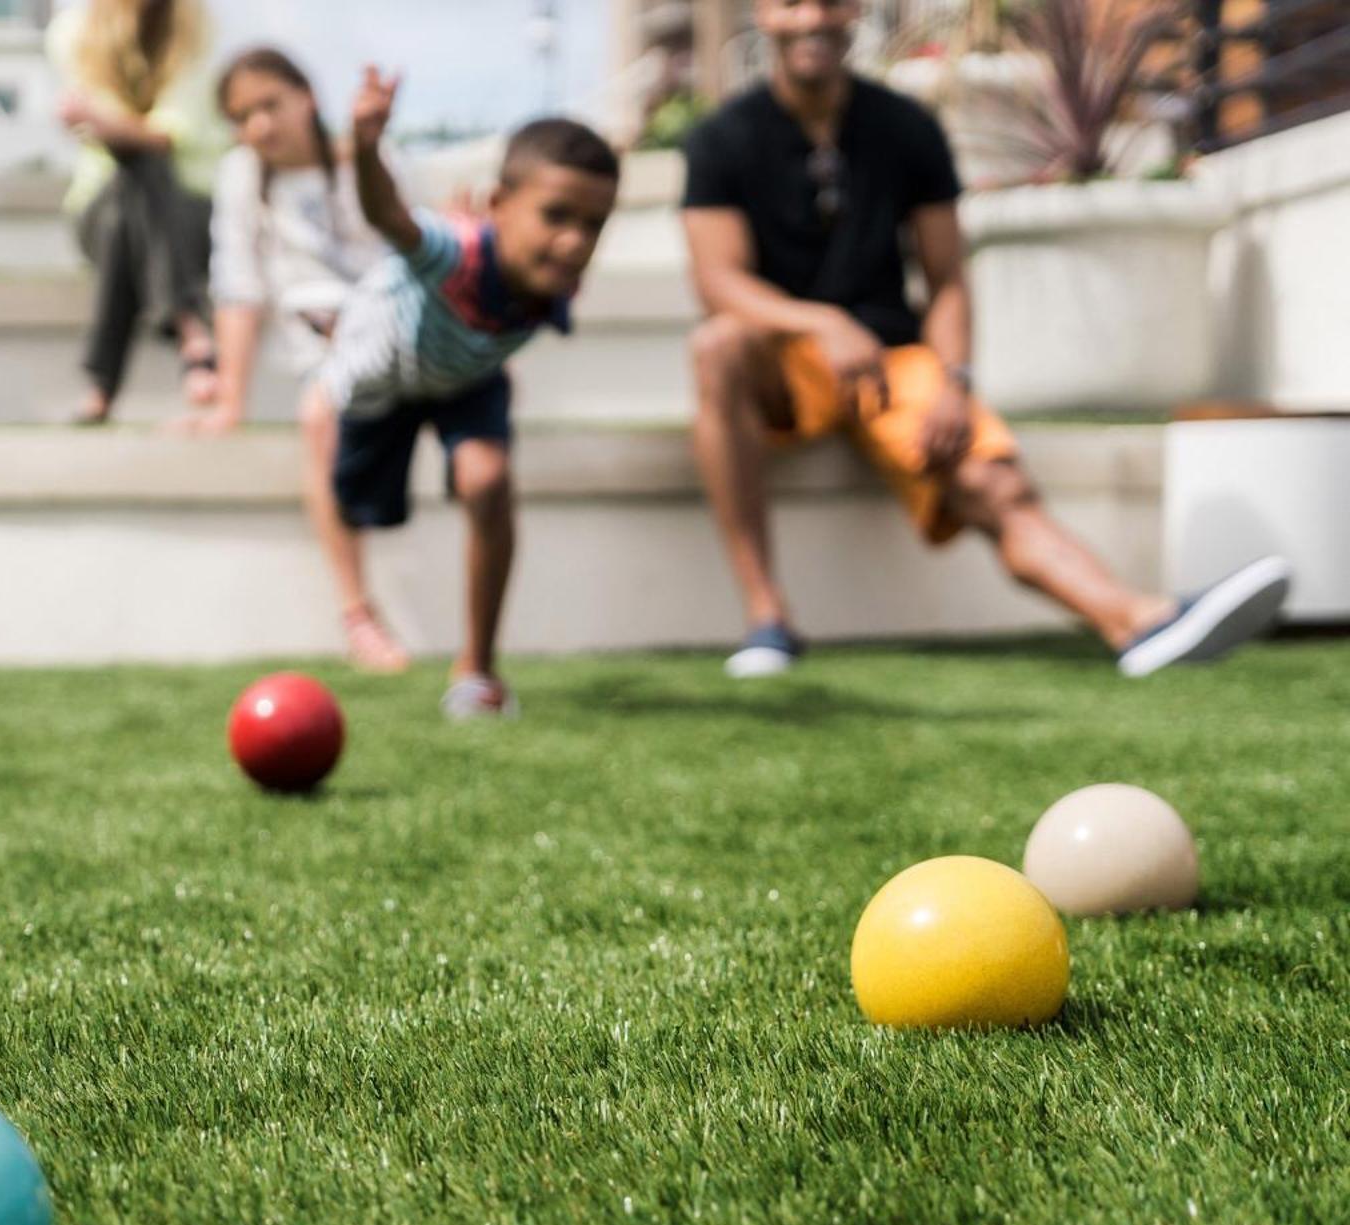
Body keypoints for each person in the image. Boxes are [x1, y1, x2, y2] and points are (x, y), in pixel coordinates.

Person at [680, 0, 1291, 679]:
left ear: (854, 12)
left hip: (889, 363)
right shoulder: (720, 139)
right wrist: (820, 322)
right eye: (794, 3)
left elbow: (947, 277)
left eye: (831, 2)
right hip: (783, 363)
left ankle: (1136, 620)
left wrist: (953, 380)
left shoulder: (906, 126)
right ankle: (767, 618)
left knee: (991, 479)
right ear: (765, 14)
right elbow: (718, 283)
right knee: (718, 344)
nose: (814, 19)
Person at [317, 68, 620, 718]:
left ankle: (477, 669)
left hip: (467, 381)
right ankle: (332, 325)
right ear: (496, 204)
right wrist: (368, 146)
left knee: (487, 480)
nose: (575, 240)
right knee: (359, 504)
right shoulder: (453, 251)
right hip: (383, 381)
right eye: (557, 215)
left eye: (594, 224)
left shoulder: (559, 281)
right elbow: (388, 216)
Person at [197, 48, 408, 673]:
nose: (259, 124)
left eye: (269, 104)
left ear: (306, 96)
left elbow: (414, 249)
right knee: (319, 418)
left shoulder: (371, 158)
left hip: (393, 334)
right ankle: (357, 614)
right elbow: (239, 290)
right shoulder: (240, 175)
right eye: (242, 115)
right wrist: (230, 402)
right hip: (325, 357)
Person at [46, 0, 224, 425]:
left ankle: (101, 385)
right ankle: (191, 327)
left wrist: (112, 126)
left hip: (190, 215)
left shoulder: (199, 25)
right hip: (102, 207)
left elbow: (169, 132)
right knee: (133, 175)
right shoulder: (72, 31)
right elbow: (114, 134)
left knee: (137, 177)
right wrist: (121, 131)